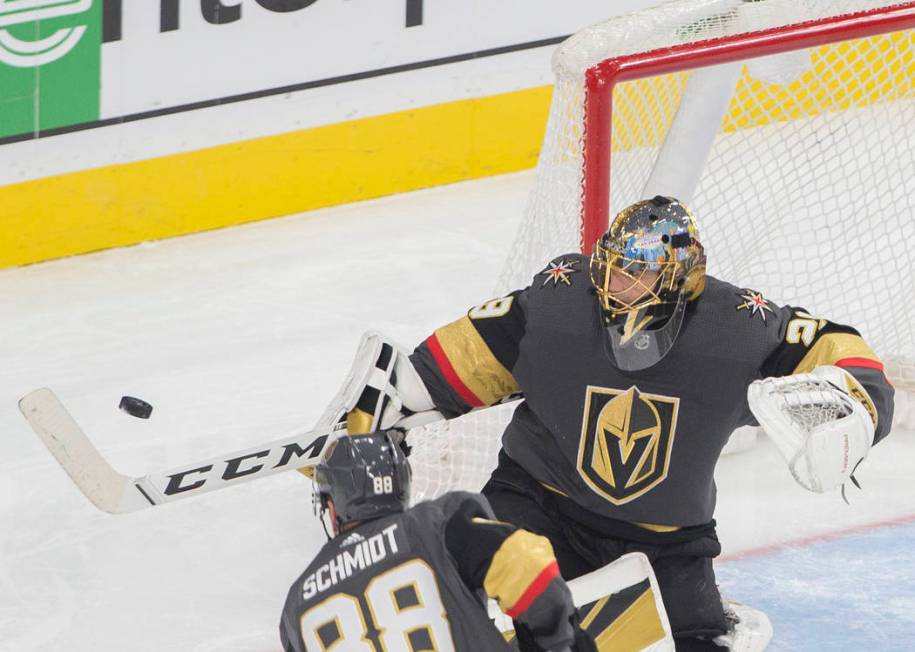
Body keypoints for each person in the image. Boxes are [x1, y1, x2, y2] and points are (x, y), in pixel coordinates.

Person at [321, 196, 895, 651]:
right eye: (612, 270)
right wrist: (375, 431)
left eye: (634, 276)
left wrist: (861, 400)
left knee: (694, 644)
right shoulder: (559, 302)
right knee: (474, 621)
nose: (614, 287)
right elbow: (448, 366)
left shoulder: (739, 329)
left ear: (679, 276)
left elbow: (835, 347)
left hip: (664, 542)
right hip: (537, 501)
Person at [280, 430, 597, 652]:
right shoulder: (436, 525)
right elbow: (527, 565)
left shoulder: (296, 606)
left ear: (332, 506)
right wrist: (557, 640)